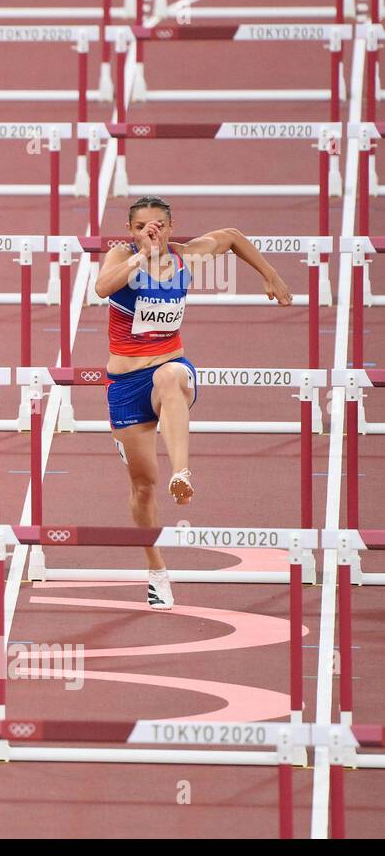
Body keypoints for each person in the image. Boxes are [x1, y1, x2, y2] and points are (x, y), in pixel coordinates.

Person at [93, 195, 291, 608]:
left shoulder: (186, 257)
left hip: (170, 369)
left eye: (159, 225)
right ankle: (157, 571)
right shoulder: (120, 254)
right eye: (143, 226)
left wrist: (269, 274)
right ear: (131, 231)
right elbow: (101, 287)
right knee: (143, 488)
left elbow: (232, 237)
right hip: (125, 386)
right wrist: (140, 258)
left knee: (170, 376)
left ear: (171, 226)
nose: (152, 231)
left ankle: (182, 473)